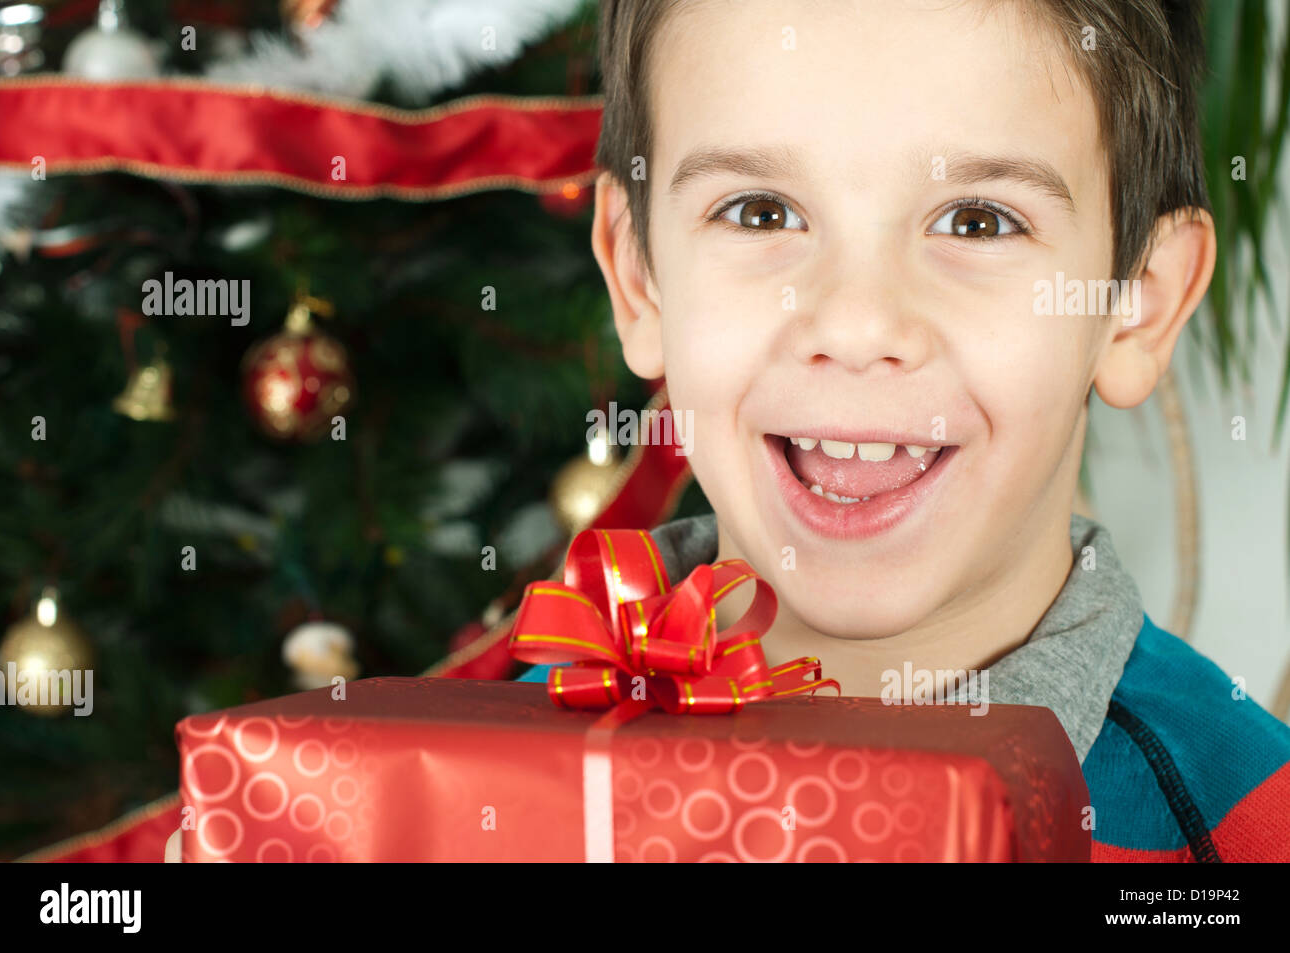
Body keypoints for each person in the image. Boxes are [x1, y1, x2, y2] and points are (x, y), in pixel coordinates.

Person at [519, 0, 1290, 862]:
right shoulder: (472, 790)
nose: (856, 325)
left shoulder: (1253, 831)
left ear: (1137, 304)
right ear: (640, 277)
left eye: (977, 221)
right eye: (761, 212)